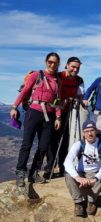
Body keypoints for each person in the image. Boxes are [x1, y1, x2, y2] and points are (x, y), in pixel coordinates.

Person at [10, 52, 62, 187]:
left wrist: (58, 116)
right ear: (46, 62)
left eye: (55, 63)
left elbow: (57, 100)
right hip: (33, 112)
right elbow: (25, 91)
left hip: (49, 116)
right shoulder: (36, 75)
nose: (52, 64)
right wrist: (14, 106)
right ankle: (21, 172)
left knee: (43, 146)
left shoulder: (57, 81)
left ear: (58, 64)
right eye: (50, 62)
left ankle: (34, 173)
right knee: (26, 144)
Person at [45, 56, 85, 178]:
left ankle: (63, 167)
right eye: (73, 67)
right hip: (54, 112)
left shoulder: (79, 80)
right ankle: (49, 168)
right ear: (67, 65)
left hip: (69, 114)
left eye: (77, 68)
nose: (75, 70)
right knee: (52, 141)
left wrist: (76, 100)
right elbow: (52, 94)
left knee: (65, 142)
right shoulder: (58, 76)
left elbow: (81, 95)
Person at [64, 120, 101, 217]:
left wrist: (96, 178)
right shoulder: (79, 144)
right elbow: (67, 161)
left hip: (95, 174)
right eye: (87, 131)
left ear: (96, 131)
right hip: (82, 174)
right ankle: (78, 203)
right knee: (68, 174)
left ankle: (92, 201)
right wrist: (77, 177)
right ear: (83, 133)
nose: (89, 134)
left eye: (92, 130)